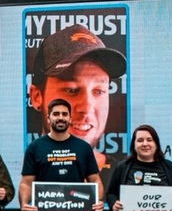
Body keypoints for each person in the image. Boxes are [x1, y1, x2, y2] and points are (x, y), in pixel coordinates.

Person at [28, 23, 127, 178]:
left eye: (99, 91)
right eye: (72, 90)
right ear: (36, 97)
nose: (87, 108)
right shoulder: (15, 172)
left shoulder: (127, 177)